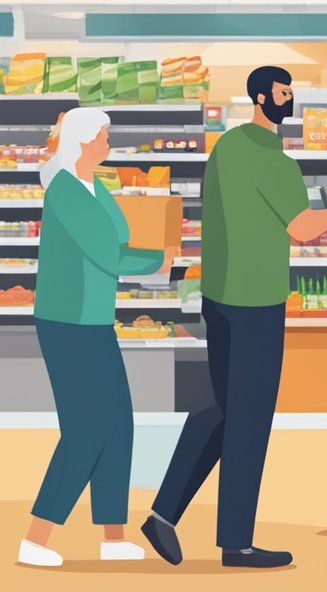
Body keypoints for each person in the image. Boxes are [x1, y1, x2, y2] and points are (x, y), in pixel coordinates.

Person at [141, 66, 327, 569]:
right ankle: (236, 542)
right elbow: (301, 228)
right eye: (282, 92)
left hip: (219, 297)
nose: (289, 99)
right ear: (260, 96)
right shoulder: (275, 160)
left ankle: (163, 514)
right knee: (249, 420)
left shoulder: (225, 148)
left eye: (291, 92)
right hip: (257, 302)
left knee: (225, 408)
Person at [18, 108, 177, 568]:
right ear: (82, 141)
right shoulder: (65, 190)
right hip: (66, 322)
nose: (109, 141)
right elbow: (108, 252)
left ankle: (112, 536)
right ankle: (36, 538)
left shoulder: (97, 187)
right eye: (103, 135)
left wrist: (157, 255)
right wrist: (159, 263)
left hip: (95, 319)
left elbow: (123, 238)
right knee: (86, 428)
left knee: (119, 424)